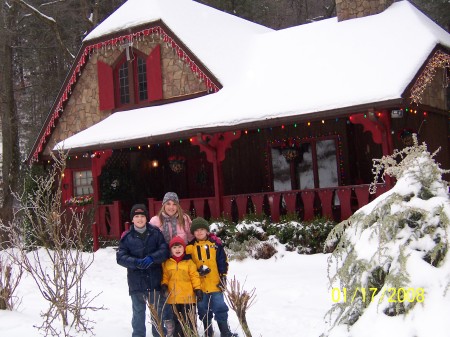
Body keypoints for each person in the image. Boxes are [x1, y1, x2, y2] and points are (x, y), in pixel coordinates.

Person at [116, 203, 170, 337]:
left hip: (154, 280)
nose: (140, 219)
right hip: (136, 282)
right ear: (132, 219)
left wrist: (153, 258)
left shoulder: (156, 233)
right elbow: (120, 257)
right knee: (138, 312)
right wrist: (135, 262)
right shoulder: (127, 237)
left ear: (146, 218)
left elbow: (164, 251)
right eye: (136, 216)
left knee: (157, 313)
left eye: (142, 216)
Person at [186, 217, 238, 337]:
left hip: (215, 284)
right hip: (200, 286)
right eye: (196, 230)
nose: (199, 232)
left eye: (202, 229)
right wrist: (198, 271)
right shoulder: (190, 247)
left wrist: (223, 276)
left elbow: (222, 261)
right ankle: (208, 330)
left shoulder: (215, 244)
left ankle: (225, 331)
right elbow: (188, 265)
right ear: (193, 232)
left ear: (206, 231)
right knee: (203, 309)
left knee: (220, 307)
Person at [161, 236, 203, 337]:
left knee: (189, 320)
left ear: (184, 248)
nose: (177, 249)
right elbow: (165, 276)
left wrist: (198, 289)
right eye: (174, 248)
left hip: (188, 298)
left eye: (179, 247)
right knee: (177, 321)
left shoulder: (189, 262)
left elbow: (195, 276)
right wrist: (164, 285)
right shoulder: (167, 263)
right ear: (171, 250)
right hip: (174, 298)